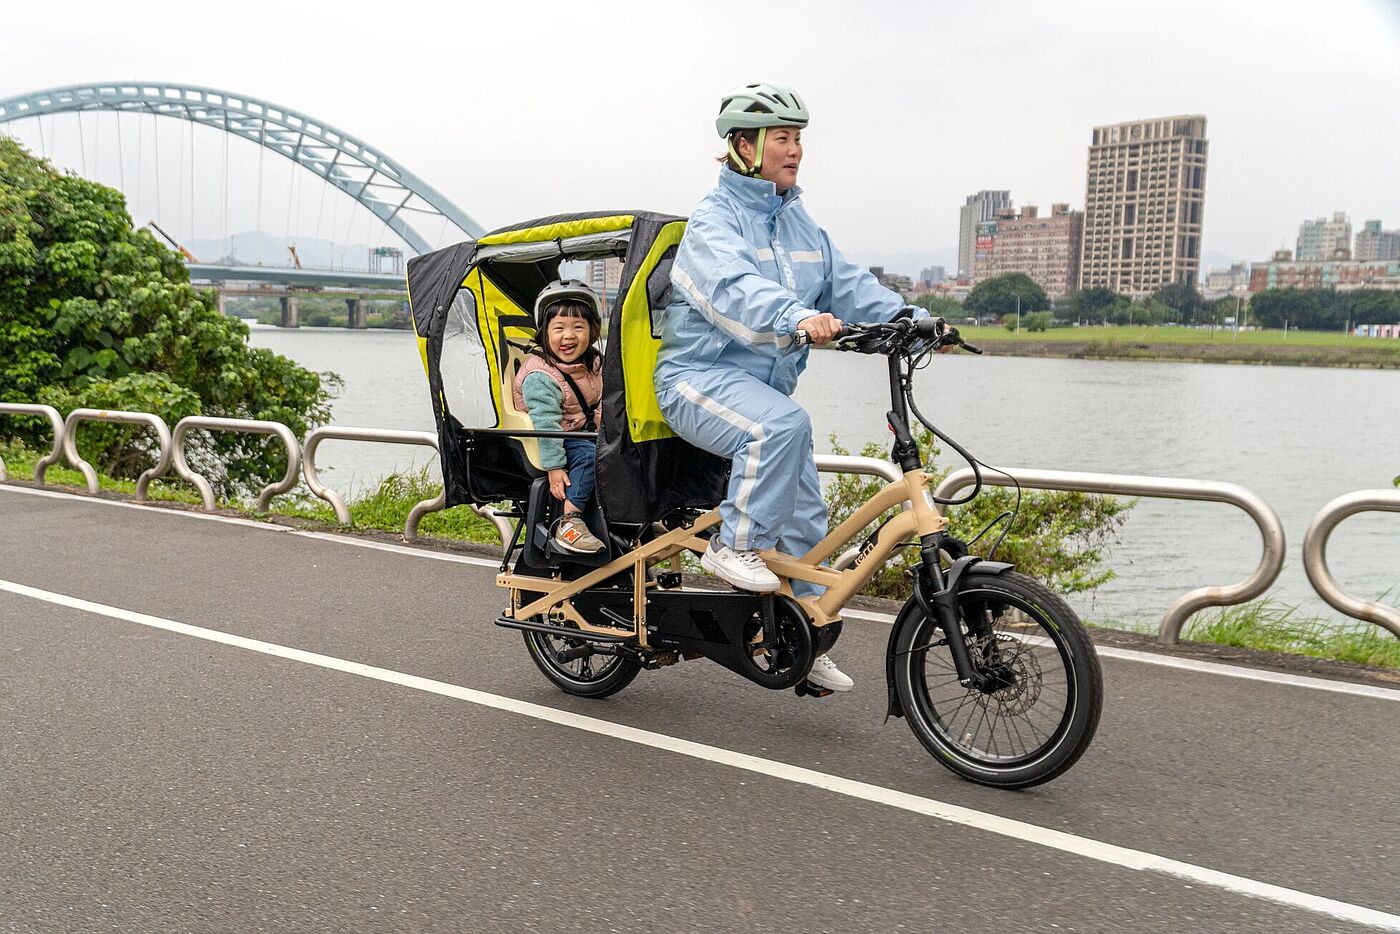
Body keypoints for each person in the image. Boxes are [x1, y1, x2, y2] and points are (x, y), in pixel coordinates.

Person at [654, 81, 926, 694]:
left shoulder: (798, 223)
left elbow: (846, 283)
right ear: (743, 145)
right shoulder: (713, 221)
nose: (795, 149)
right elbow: (734, 291)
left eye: (799, 138)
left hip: (761, 396)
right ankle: (733, 545)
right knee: (782, 425)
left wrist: (913, 319)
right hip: (695, 381)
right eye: (782, 137)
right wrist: (797, 316)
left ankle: (806, 635)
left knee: (808, 519)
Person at [513, 279, 606, 554]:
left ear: (592, 331)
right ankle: (569, 521)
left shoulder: (594, 363)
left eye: (578, 327)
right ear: (544, 333)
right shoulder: (540, 376)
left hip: (584, 431)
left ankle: (629, 516)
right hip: (555, 438)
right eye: (559, 328)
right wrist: (554, 467)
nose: (568, 336)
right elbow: (545, 423)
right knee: (589, 457)